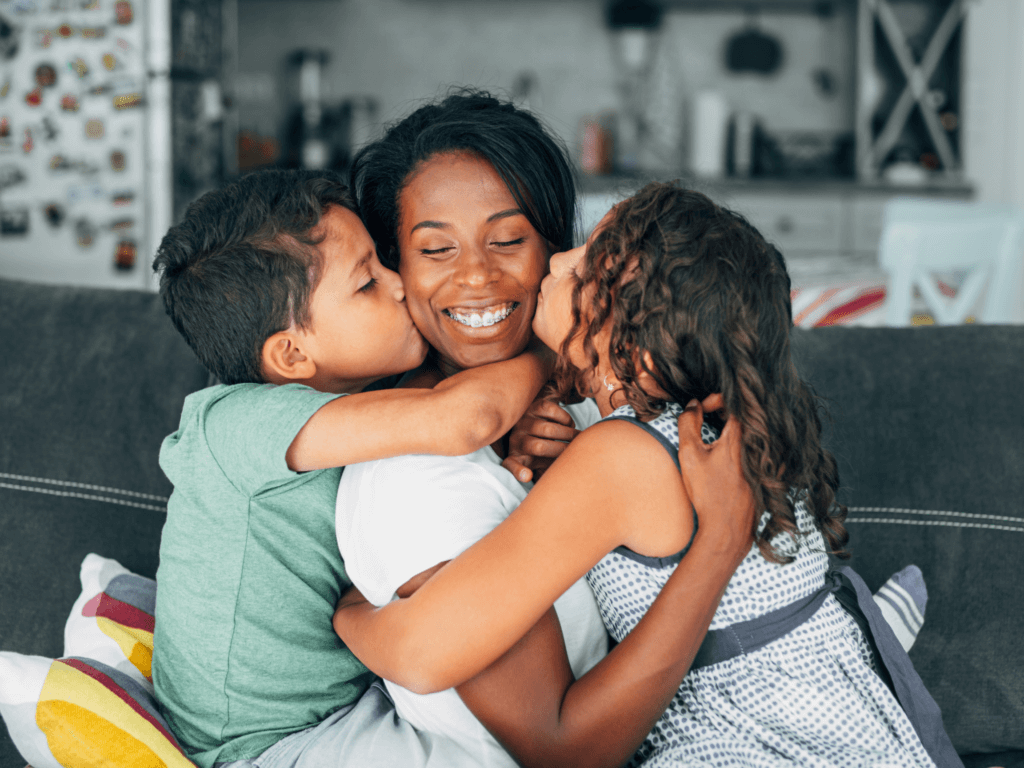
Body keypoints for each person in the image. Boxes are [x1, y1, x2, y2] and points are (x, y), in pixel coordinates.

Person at [334, 182, 962, 768]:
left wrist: (351, 612)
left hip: (752, 739)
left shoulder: (623, 457)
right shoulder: (721, 427)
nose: (556, 263)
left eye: (585, 270)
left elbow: (432, 656)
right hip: (837, 717)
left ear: (639, 350)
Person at [334, 92, 756, 768]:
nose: (477, 274)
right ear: (396, 274)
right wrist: (351, 613)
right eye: (436, 248)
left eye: (508, 240)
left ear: (557, 250)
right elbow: (562, 749)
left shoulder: (593, 399)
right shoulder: (420, 483)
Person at [150, 168, 568, 768]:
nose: (401, 286)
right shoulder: (235, 424)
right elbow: (463, 419)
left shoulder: (354, 400)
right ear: (291, 354)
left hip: (349, 706)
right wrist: (552, 337)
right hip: (266, 745)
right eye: (367, 283)